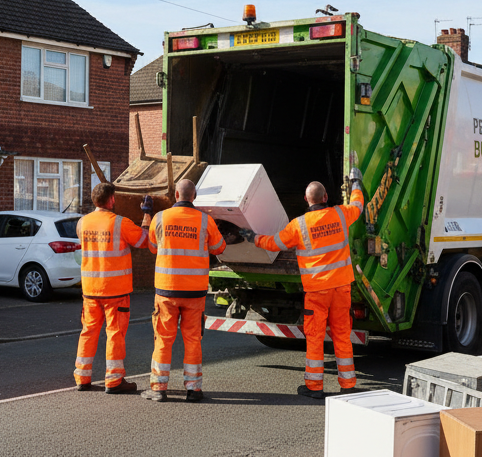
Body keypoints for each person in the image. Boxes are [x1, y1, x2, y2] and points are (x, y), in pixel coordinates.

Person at [239, 169, 365, 400]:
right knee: (342, 335)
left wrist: (250, 236)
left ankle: (315, 387)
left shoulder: (299, 226)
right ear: (326, 197)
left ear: (306, 200)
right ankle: (348, 385)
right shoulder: (340, 214)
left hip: (317, 291)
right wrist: (356, 182)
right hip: (341, 288)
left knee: (315, 337)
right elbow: (358, 204)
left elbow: (273, 244)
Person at [143, 179, 228, 403]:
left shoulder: (160, 217)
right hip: (195, 292)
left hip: (166, 290)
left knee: (163, 339)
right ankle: (194, 389)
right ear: (194, 196)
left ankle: (159, 389)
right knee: (193, 340)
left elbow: (152, 247)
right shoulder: (205, 220)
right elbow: (219, 248)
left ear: (176, 194)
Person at [74, 181, 150, 394]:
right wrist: (146, 216)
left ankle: (82, 377)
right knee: (115, 334)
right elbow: (144, 240)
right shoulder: (120, 223)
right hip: (115, 291)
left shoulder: (82, 223)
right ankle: (114, 380)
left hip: (90, 291)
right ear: (112, 200)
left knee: (88, 332)